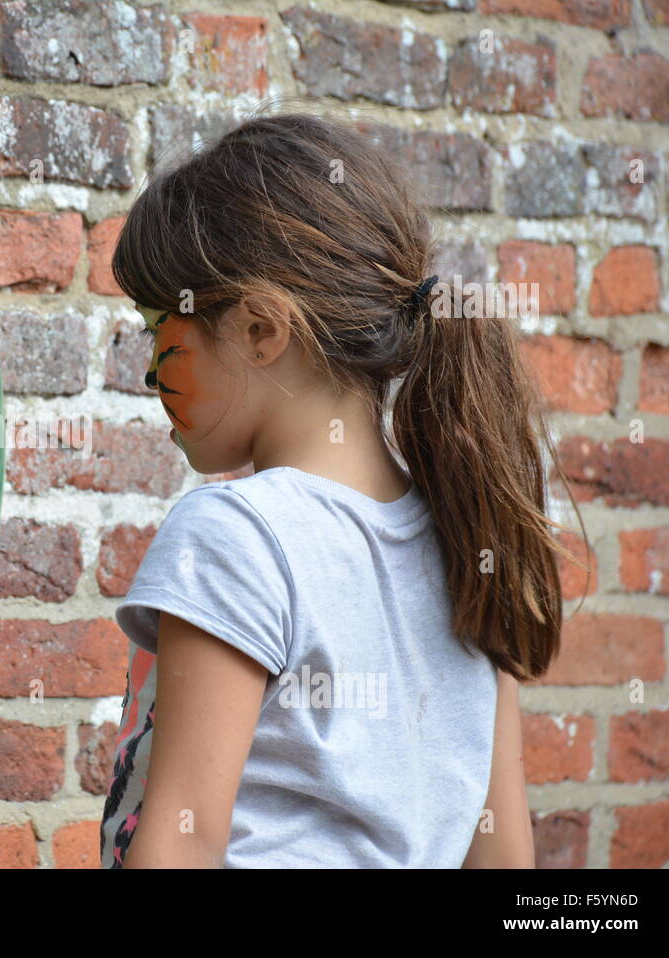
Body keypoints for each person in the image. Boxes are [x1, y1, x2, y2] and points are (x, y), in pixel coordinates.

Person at [99, 108, 589, 869]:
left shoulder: (236, 535)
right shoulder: (468, 531)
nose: (146, 371)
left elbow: (182, 844)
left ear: (263, 329)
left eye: (159, 329)